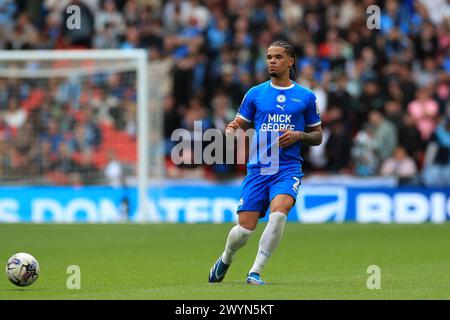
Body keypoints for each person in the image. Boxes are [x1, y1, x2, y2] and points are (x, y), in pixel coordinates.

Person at [208, 40, 322, 285]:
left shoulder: (305, 97)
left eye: (277, 57)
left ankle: (255, 271)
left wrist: (298, 135)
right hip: (260, 168)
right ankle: (226, 257)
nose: (271, 60)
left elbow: (317, 136)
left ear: (290, 61)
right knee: (244, 231)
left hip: (288, 168)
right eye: (269, 56)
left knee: (279, 214)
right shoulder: (255, 93)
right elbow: (240, 121)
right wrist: (233, 126)